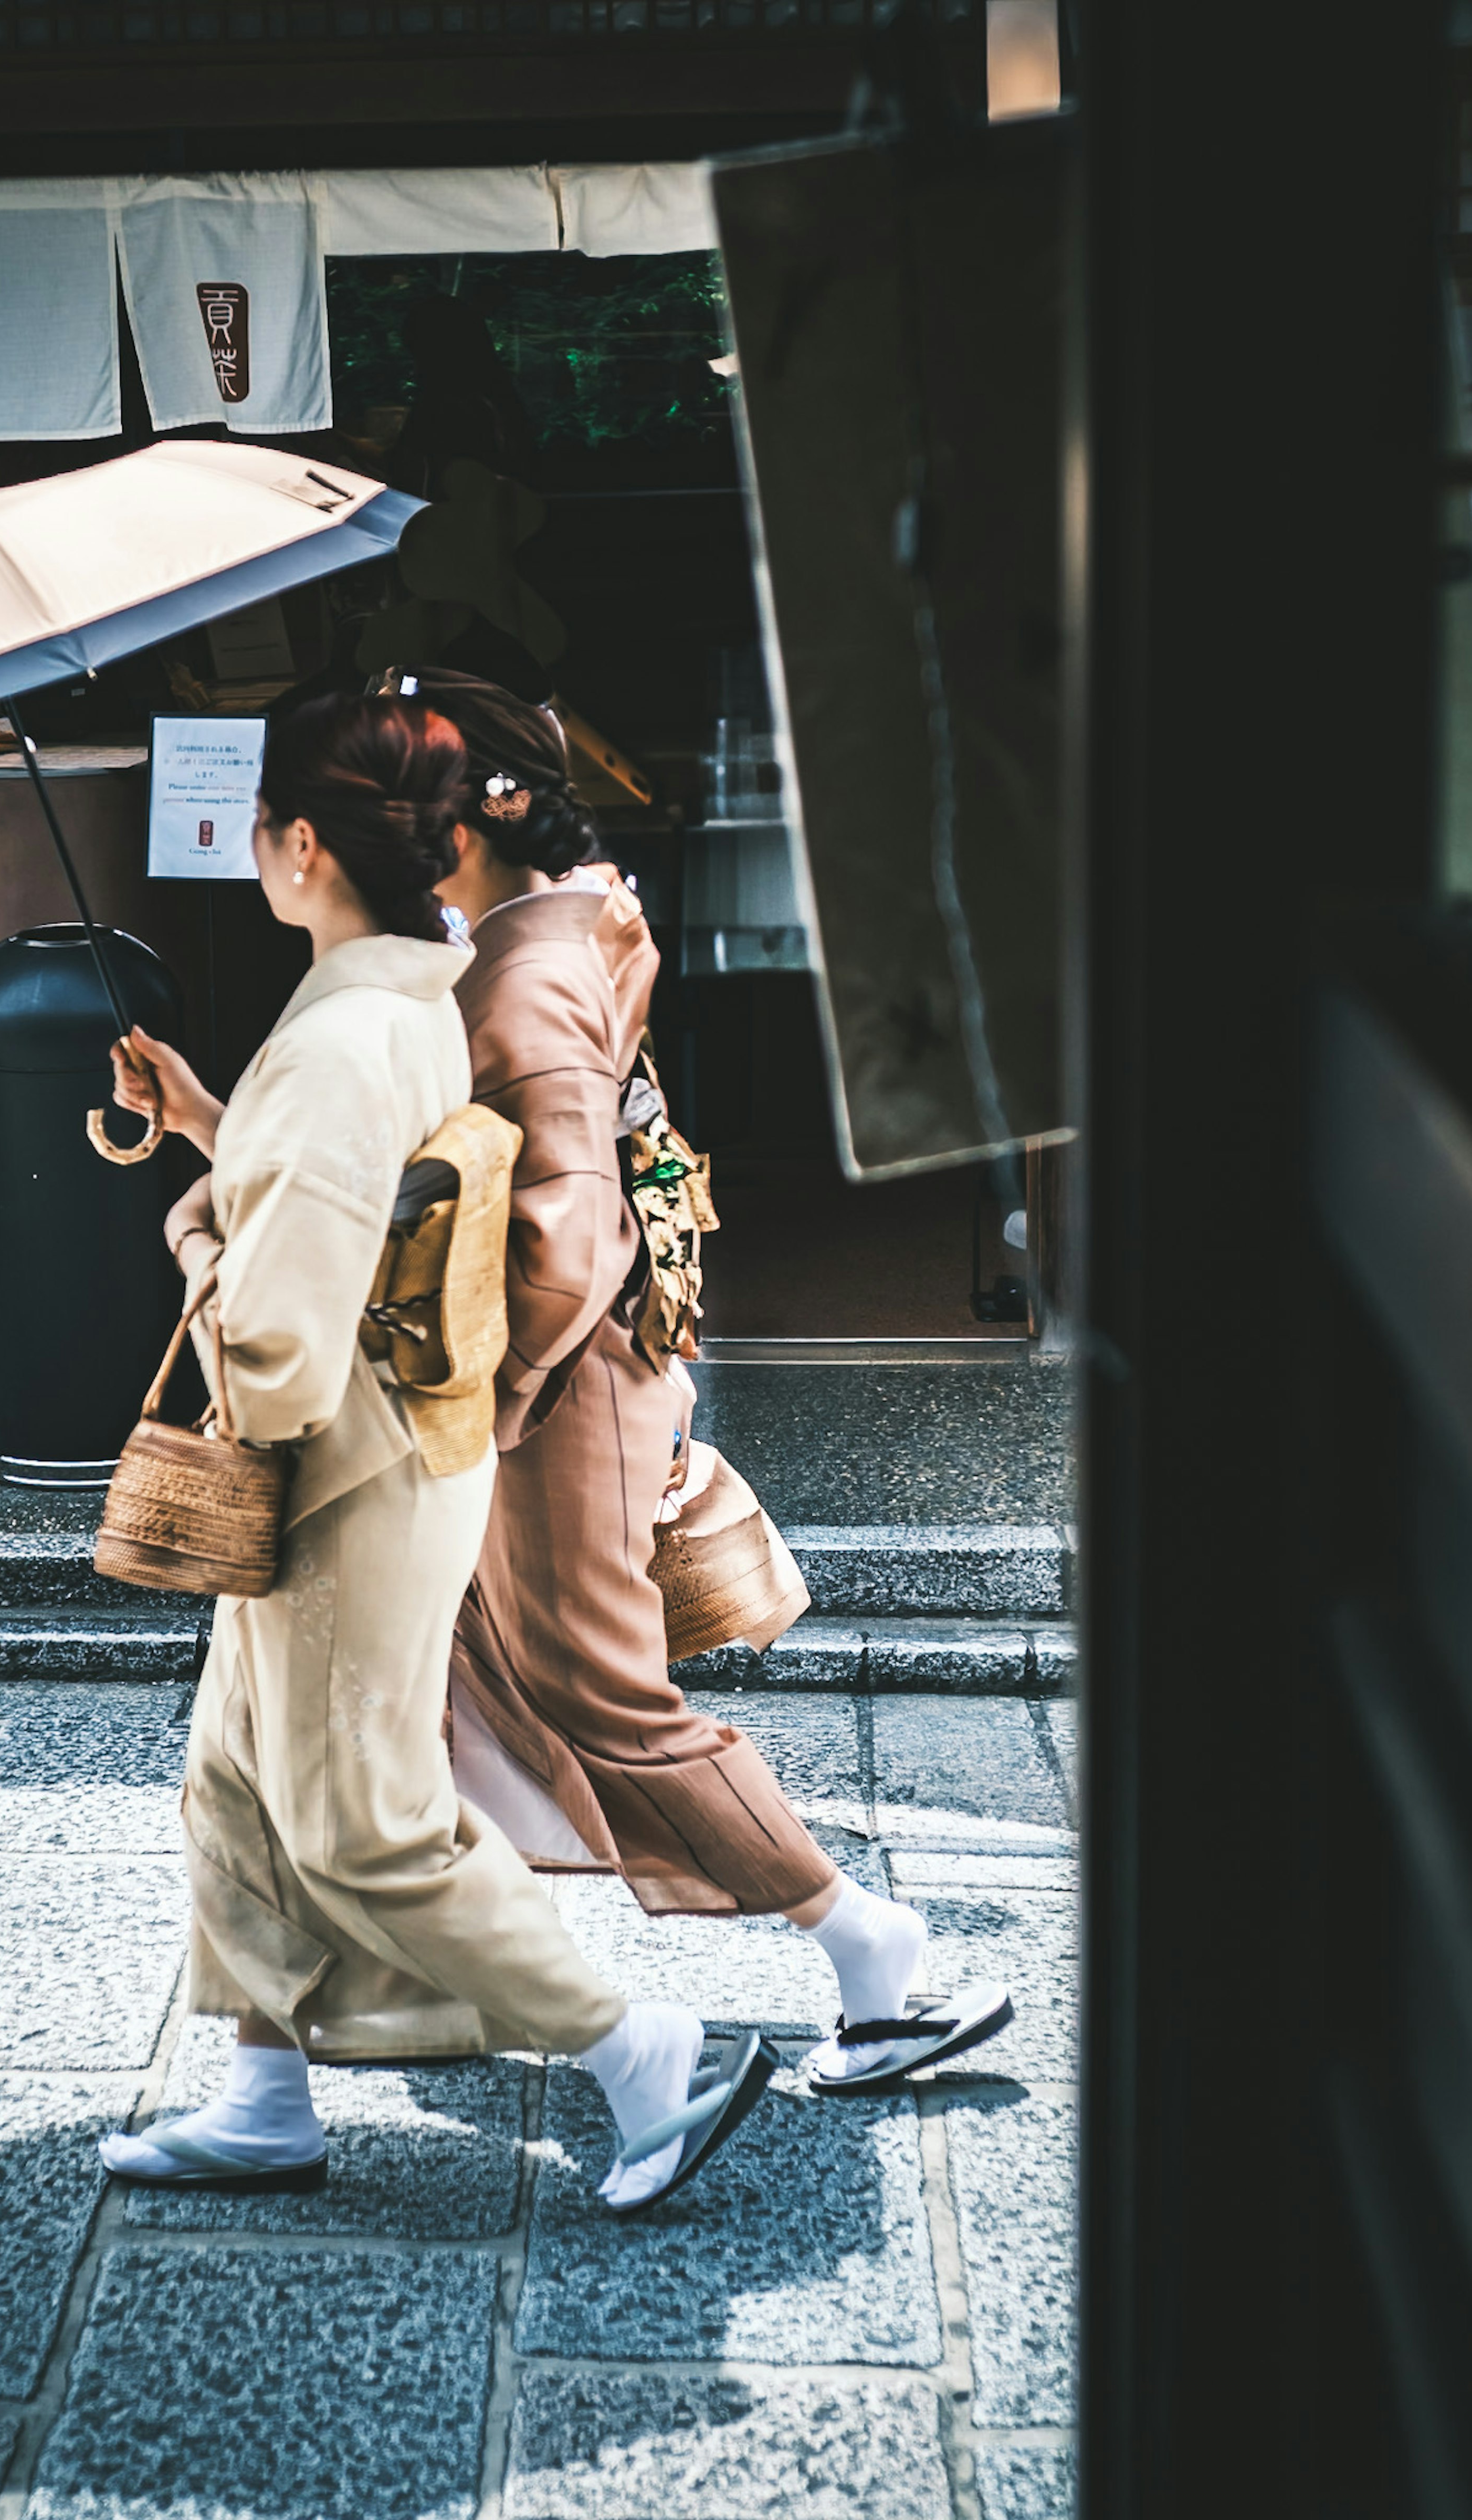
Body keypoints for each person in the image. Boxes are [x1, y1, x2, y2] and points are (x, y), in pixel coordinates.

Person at [96, 693, 773, 2209]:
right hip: (408, 1445)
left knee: (360, 1815)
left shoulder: (336, 1040)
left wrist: (201, 1228)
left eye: (270, 826)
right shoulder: (411, 992)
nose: (259, 847)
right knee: (239, 1779)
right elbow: (367, 1210)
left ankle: (634, 2051)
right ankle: (266, 2089)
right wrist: (221, 1123)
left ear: (305, 847)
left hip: (343, 1474)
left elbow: (272, 1363)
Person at [406, 667, 1013, 2095]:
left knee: (599, 1695)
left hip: (553, 1385)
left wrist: (483, 1405)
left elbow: (569, 1237)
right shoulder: (547, 929)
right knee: (469, 1672)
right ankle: (440, 1967)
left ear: (488, 802)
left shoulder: (528, 964)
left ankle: (870, 1952)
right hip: (577, 1371)